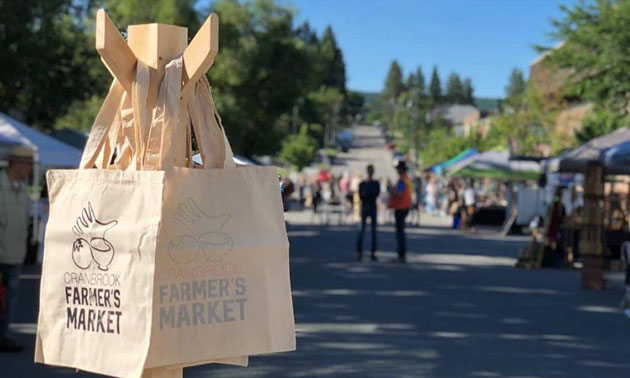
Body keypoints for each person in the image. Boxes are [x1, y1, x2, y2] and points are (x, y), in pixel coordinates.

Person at [0, 146, 34, 353]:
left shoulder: (22, 188)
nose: (30, 169)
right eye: (28, 164)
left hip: (14, 254)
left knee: (9, 299)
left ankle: (3, 336)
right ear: (16, 163)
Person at [356, 165, 380, 262]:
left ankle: (361, 252)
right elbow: (375, 194)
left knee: (364, 230)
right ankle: (369, 253)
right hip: (370, 206)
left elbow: (362, 195)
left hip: (366, 206)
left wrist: (366, 195)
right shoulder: (373, 184)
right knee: (369, 231)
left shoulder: (364, 184)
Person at [389, 161, 413, 263]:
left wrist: (391, 189)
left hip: (401, 207)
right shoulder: (406, 179)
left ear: (402, 169)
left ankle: (401, 255)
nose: (397, 170)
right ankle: (401, 255)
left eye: (398, 168)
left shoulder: (403, 180)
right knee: (400, 232)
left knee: (400, 233)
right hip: (404, 206)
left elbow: (399, 193)